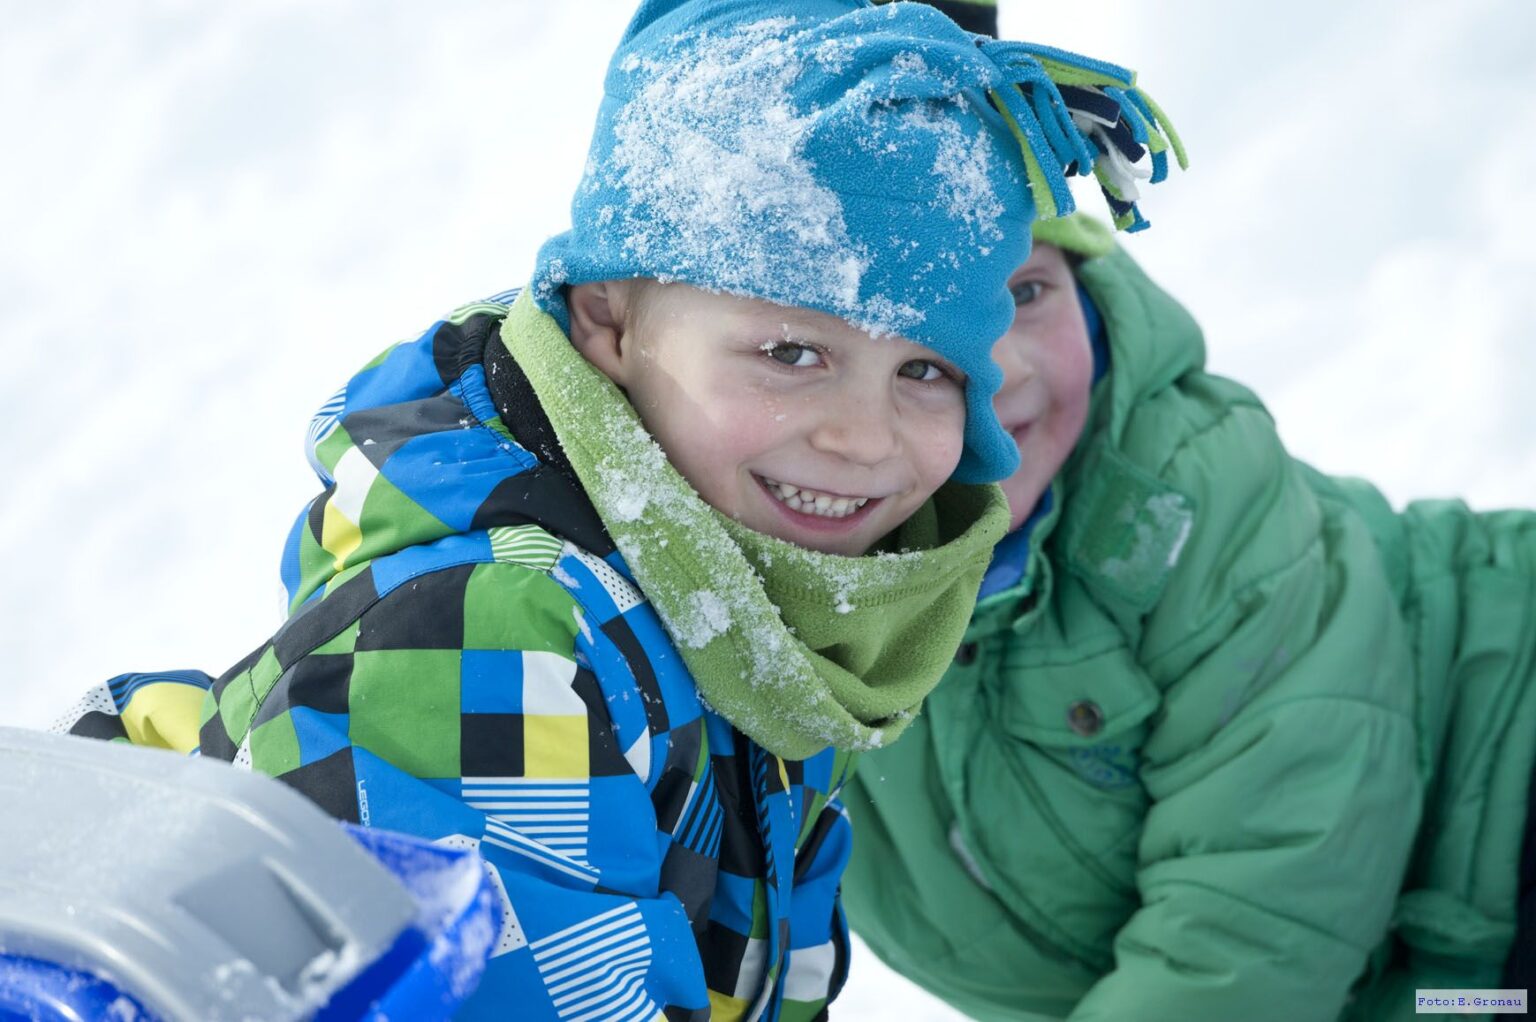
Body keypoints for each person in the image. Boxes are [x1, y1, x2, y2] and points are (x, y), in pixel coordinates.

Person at [50, 1, 1181, 1017]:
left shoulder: (761, 590)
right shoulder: (490, 634)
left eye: (928, 371)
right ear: (608, 319)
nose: (865, 437)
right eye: (791, 350)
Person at [841, 207, 1536, 1020]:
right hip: (1452, 980)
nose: (1006, 366)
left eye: (1029, 291)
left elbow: (1255, 911)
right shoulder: (749, 635)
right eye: (932, 317)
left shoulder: (1185, 485)